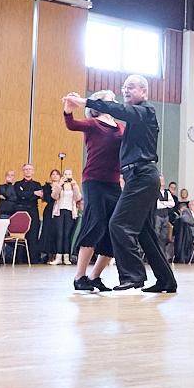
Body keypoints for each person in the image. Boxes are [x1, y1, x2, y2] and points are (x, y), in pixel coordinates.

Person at [63, 75, 178, 292]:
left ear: (144, 92)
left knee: (118, 225)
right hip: (133, 177)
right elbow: (80, 124)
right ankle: (166, 281)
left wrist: (85, 102)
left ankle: (133, 275)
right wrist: (73, 110)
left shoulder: (145, 111)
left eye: (130, 88)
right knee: (145, 233)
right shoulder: (125, 121)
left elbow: (119, 111)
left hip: (141, 175)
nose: (125, 91)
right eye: (123, 87)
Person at [64, 89, 124, 291]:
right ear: (98, 105)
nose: (114, 102)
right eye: (110, 100)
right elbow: (71, 124)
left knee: (114, 228)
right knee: (95, 223)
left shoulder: (121, 127)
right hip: (94, 181)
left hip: (114, 183)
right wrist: (68, 110)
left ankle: (94, 277)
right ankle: (79, 277)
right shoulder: (92, 124)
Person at [14, 164, 44, 262]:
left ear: (33, 171)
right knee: (21, 234)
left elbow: (38, 196)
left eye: (30, 169)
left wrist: (27, 194)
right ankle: (19, 259)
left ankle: (33, 259)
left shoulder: (37, 184)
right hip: (21, 211)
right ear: (23, 171)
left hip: (33, 211)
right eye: (26, 169)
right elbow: (19, 195)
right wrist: (33, 193)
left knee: (33, 234)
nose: (28, 171)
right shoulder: (18, 184)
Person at [39, 169, 63, 263]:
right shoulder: (46, 186)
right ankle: (48, 254)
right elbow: (47, 198)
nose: (55, 176)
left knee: (57, 231)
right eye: (53, 174)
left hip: (60, 209)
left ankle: (57, 254)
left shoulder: (64, 186)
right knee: (48, 231)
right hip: (50, 209)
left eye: (57, 174)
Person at [155, 176, 177, 261]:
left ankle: (162, 255)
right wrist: (166, 203)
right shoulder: (154, 192)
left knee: (164, 236)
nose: (162, 182)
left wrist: (163, 203)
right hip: (157, 216)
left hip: (165, 216)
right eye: (161, 180)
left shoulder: (167, 193)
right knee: (156, 235)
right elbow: (157, 205)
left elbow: (173, 204)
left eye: (163, 180)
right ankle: (155, 255)